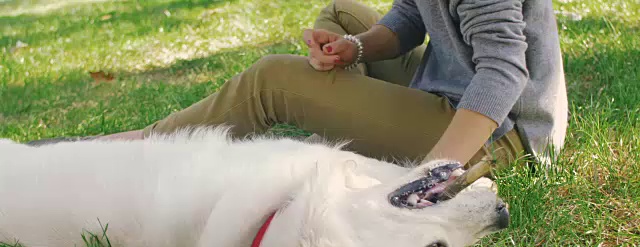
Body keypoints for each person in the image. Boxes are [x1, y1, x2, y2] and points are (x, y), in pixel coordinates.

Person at [55, 0, 570, 169]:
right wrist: (358, 49)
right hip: (448, 91)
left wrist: (435, 174)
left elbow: (504, 69)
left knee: (272, 80)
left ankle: (141, 147)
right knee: (343, 12)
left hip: (499, 135)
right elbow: (414, 14)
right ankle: (356, 116)